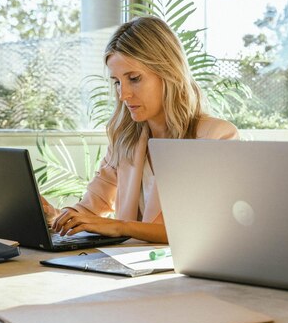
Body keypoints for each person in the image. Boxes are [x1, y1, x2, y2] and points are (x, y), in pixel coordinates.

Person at [42, 16, 239, 243]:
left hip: (185, 272)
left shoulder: (217, 138)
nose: (123, 94)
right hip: (127, 270)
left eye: (134, 79)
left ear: (169, 74)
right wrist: (53, 217)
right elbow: (89, 211)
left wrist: (121, 227)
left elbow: (205, 231)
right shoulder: (125, 140)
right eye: (117, 81)